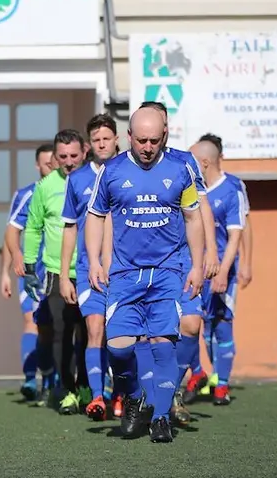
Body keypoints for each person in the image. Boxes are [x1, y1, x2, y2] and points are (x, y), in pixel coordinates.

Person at [85, 107, 205, 443]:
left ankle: (161, 417)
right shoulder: (111, 170)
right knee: (119, 348)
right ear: (129, 138)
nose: (148, 146)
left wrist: (197, 264)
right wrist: (95, 260)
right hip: (124, 274)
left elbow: (193, 218)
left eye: (154, 140)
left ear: (164, 135)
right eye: (141, 140)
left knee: (164, 344)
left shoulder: (181, 169)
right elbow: (95, 216)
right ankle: (136, 396)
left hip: (168, 271)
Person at [136, 101, 218, 423]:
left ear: (165, 128)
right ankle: (151, 396)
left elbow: (200, 208)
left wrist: (210, 251)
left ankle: (171, 392)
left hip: (184, 257)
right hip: (145, 262)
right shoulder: (127, 166)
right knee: (147, 333)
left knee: (192, 325)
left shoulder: (185, 162)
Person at [23, 129, 89, 415]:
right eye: (63, 157)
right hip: (55, 272)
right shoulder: (46, 186)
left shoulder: (95, 181)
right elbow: (33, 226)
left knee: (88, 332)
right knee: (61, 332)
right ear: (54, 157)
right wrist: (28, 265)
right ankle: (67, 389)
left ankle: (88, 386)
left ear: (84, 152)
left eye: (74, 155)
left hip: (90, 271)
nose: (69, 161)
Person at [59, 114, 120, 421]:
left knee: (122, 337)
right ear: (89, 145)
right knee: (94, 330)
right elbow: (69, 228)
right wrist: (63, 275)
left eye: (106, 138)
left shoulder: (128, 173)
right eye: (96, 140)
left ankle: (121, 394)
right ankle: (97, 397)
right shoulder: (78, 178)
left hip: (124, 269)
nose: (101, 144)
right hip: (87, 269)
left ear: (117, 139)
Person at [190, 137, 247, 405]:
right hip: (197, 270)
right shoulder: (193, 191)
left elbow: (238, 234)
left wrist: (225, 271)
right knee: (200, 327)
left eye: (193, 161)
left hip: (223, 269)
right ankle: (205, 374)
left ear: (205, 162)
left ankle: (222, 385)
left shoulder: (232, 189)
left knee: (222, 325)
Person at [1, 143, 54, 403]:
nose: (51, 165)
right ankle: (30, 379)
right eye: (46, 162)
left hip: (59, 271)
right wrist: (5, 272)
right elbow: (11, 232)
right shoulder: (26, 194)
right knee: (32, 322)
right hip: (32, 273)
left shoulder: (69, 191)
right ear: (37, 165)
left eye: (54, 161)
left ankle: (54, 378)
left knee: (53, 329)